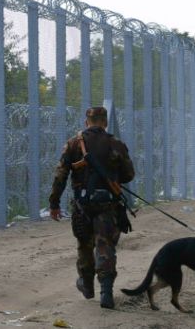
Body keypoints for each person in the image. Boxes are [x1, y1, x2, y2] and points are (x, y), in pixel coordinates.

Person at [49, 107, 135, 309]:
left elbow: (60, 175)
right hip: (108, 205)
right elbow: (129, 175)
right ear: (105, 122)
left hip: (83, 205)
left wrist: (54, 203)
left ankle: (87, 285)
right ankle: (106, 292)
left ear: (87, 122)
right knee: (106, 246)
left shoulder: (73, 144)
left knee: (85, 245)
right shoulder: (116, 144)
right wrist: (111, 177)